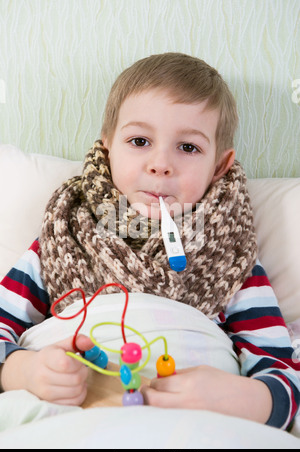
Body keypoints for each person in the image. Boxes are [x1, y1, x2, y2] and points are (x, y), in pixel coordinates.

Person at [0, 53, 299, 429]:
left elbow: (282, 373)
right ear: (107, 148)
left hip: (194, 424)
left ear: (220, 166)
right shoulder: (64, 237)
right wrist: (22, 371)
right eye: (140, 140)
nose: (161, 164)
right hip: (70, 415)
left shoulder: (232, 258)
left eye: (188, 147)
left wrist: (245, 398)